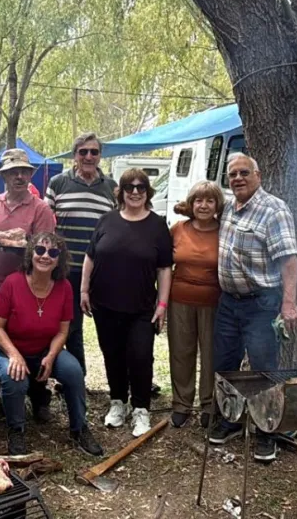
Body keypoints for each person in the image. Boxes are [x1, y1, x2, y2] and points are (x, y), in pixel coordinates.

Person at [207, 152, 297, 463]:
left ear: (258, 175)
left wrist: (288, 302)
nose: (238, 178)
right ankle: (230, 420)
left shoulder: (274, 210)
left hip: (261, 304)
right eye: (232, 174)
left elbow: (289, 259)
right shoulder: (230, 207)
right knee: (225, 364)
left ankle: (266, 433)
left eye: (244, 172)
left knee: (263, 369)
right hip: (228, 302)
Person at [0, 232, 105, 457]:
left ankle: (79, 428)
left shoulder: (64, 287)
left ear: (59, 259)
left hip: (43, 349)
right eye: (40, 250)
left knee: (72, 371)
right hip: (5, 348)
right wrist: (15, 355)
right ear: (31, 254)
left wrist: (50, 357)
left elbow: (63, 331)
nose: (45, 256)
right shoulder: (12, 282)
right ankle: (16, 430)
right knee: (15, 377)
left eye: (52, 252)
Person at [0, 148, 57, 421]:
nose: (19, 176)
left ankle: (40, 398)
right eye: (13, 171)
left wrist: (21, 242)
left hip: (31, 286)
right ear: (4, 176)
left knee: (34, 342)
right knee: (0, 341)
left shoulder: (40, 209)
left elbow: (47, 248)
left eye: (24, 171)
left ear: (30, 175)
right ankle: (6, 396)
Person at [81, 168, 173, 438]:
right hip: (104, 304)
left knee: (141, 356)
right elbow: (90, 257)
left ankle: (141, 408)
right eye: (129, 187)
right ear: (120, 192)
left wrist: (162, 305)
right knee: (113, 355)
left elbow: (165, 269)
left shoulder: (157, 226)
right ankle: (118, 402)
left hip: (142, 307)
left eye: (141, 187)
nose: (135, 192)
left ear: (148, 192)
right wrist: (84, 290)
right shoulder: (106, 221)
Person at [45, 133, 117, 374]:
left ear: (100, 155)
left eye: (93, 152)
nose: (88, 156)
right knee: (71, 327)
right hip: (67, 269)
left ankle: (118, 384)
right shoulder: (58, 183)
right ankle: (76, 379)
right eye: (82, 152)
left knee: (109, 328)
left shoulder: (112, 187)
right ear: (74, 155)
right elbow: (45, 224)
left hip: (103, 271)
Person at [167, 181, 225, 429]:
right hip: (179, 299)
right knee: (181, 353)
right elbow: (164, 266)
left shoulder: (225, 231)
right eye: (198, 200)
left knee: (211, 355)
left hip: (214, 302)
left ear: (217, 205)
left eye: (209, 200)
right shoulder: (178, 229)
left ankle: (209, 405)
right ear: (191, 204)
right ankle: (181, 404)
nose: (203, 205)